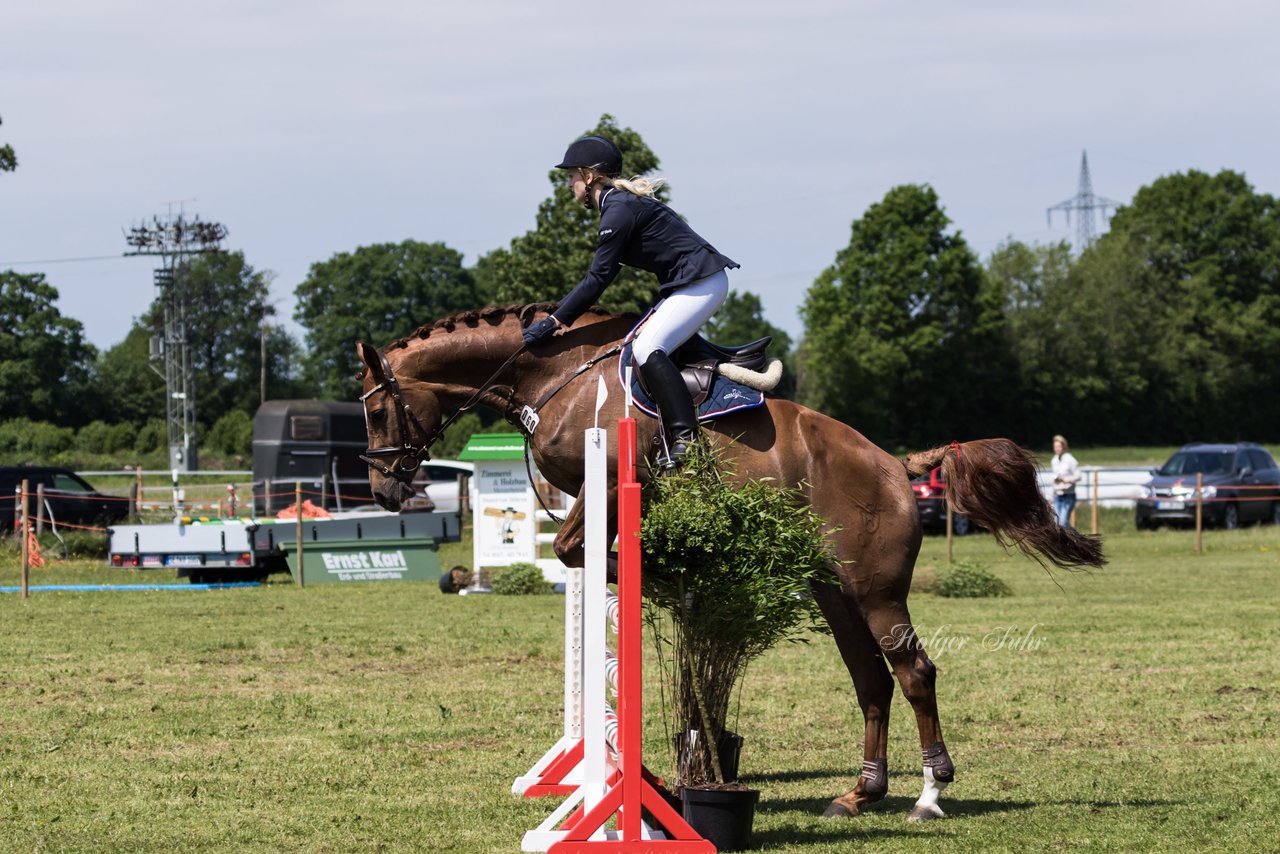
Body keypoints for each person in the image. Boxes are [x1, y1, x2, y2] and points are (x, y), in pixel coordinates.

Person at [522, 134, 739, 468]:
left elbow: (598, 278)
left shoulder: (617, 211)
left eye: (571, 176)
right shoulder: (617, 206)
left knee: (646, 347)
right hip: (689, 284)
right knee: (640, 340)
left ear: (588, 175)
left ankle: (687, 439)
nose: (569, 184)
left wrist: (554, 321)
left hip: (702, 283)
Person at [1051, 434, 1081, 528]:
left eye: (1059, 446)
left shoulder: (1070, 459)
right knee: (1057, 523)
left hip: (1068, 496)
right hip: (1057, 496)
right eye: (1055, 446)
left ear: (1064, 446)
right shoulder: (1054, 460)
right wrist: (1051, 497)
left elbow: (1078, 476)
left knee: (1063, 522)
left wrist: (1066, 480)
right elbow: (1054, 480)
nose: (1057, 449)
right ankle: (1071, 541)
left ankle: (1077, 540)